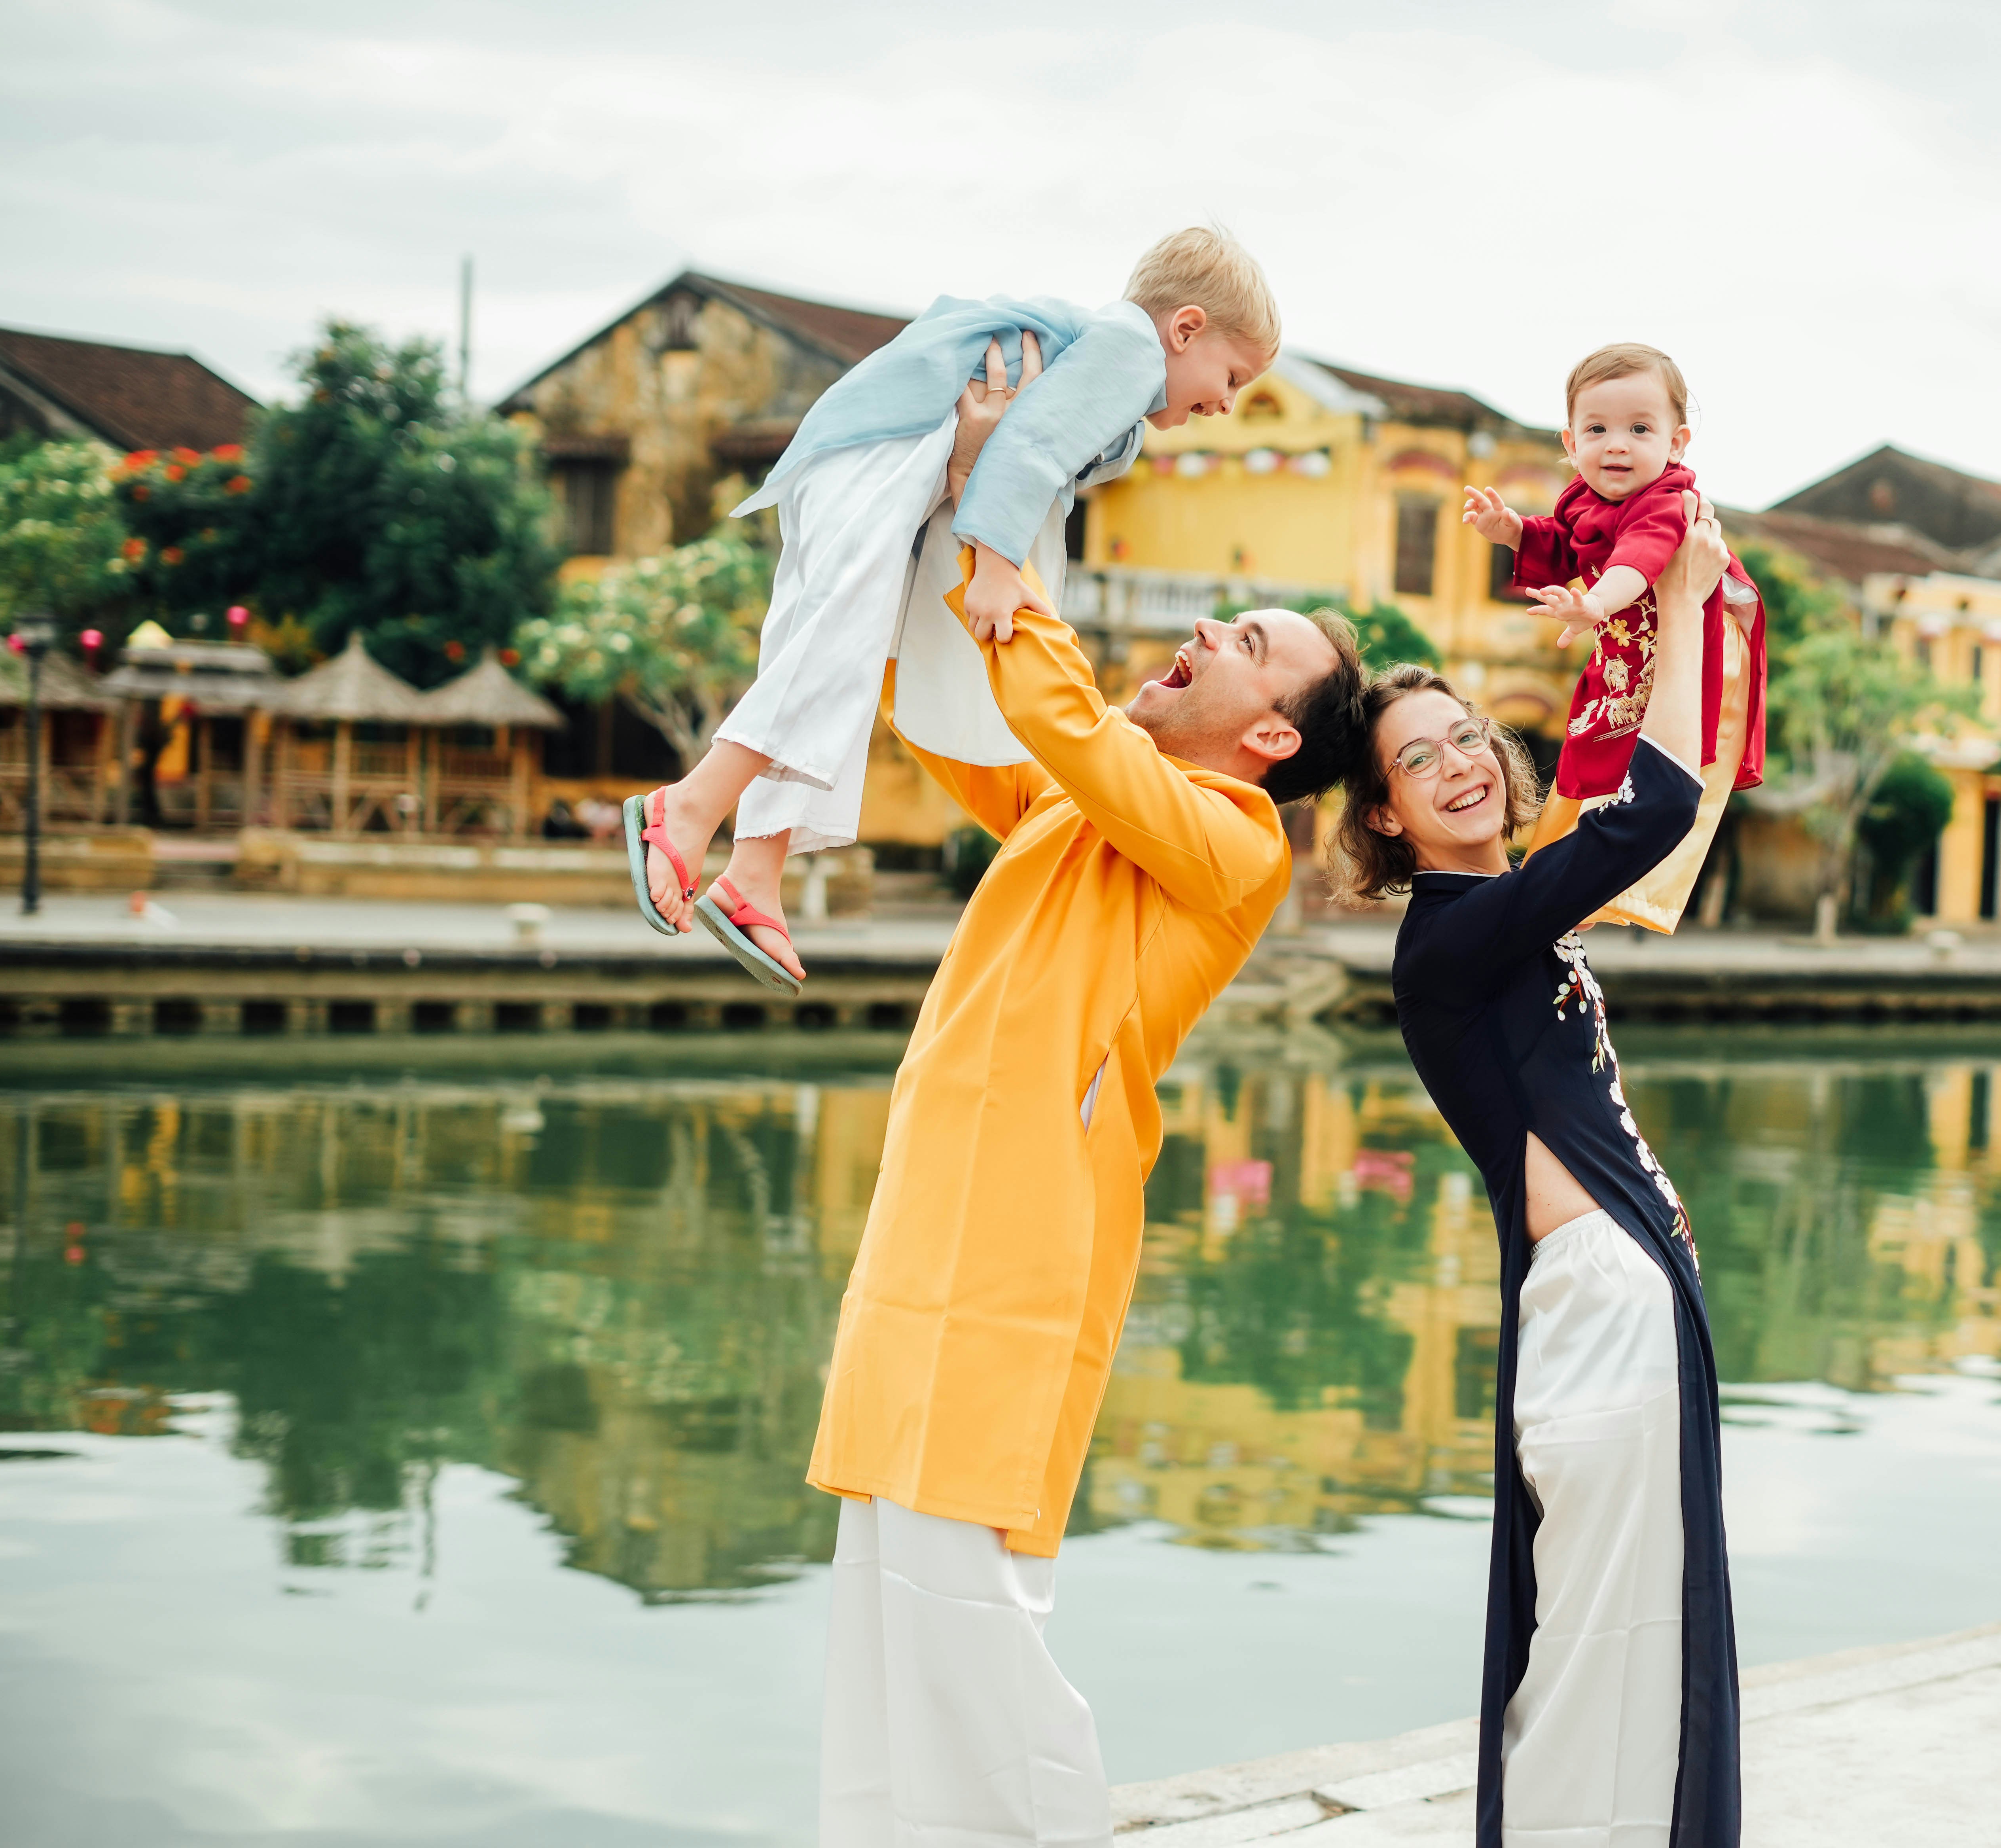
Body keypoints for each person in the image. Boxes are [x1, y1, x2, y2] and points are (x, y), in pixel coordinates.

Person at [807, 461, 1368, 1840]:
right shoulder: (1079, 800)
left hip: (1022, 1239)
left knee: (969, 1603)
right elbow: (949, 713)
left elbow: (1060, 716)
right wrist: (954, 512)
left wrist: (1008, 557)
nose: (1210, 628)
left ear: (1274, 738)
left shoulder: (1232, 840)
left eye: (1248, 642)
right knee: (882, 1593)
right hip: (925, 1219)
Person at [1333, 496, 1740, 1848]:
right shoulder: (1452, 939)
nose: (1455, 764)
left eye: (1464, 735)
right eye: (1415, 762)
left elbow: (1626, 803)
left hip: (1617, 1300)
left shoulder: (1499, 920)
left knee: (1622, 1632)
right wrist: (1676, 606)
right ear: (1385, 816)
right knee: (1594, 1640)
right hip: (1596, 1311)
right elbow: (1652, 811)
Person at [625, 226, 1282, 994]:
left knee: (840, 648)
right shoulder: (1131, 349)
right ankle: (687, 807)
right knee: (838, 641)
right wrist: (997, 568)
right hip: (889, 445)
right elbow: (1032, 447)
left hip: (887, 451)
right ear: (1186, 329)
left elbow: (1050, 448)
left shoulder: (1121, 395)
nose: (1228, 404)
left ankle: (754, 870)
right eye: (1232, 377)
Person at [1459, 344, 1766, 933]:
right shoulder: (1584, 498)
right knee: (1591, 750)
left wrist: (1595, 604)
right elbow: (1563, 542)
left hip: (1695, 645)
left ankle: (1613, 891)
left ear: (1676, 444)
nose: (1617, 445)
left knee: (1658, 770)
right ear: (1571, 444)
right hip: (1629, 645)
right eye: (1597, 429)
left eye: (1639, 429)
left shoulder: (1666, 501)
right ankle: (1568, 890)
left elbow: (1638, 559)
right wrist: (1514, 531)